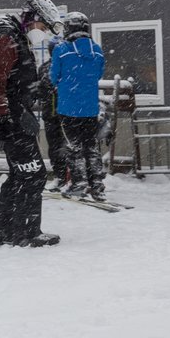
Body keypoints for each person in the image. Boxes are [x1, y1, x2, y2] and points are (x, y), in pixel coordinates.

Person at [0, 0, 64, 247]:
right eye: (42, 27)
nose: (42, 33)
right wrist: (6, 117)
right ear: (32, 18)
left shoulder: (16, 38)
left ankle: (3, 232)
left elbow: (14, 81)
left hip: (14, 115)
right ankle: (25, 233)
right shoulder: (7, 38)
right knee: (33, 174)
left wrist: (35, 89)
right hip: (9, 120)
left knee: (19, 175)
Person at [50, 11, 107, 201]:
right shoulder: (97, 50)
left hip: (68, 108)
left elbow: (53, 77)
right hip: (90, 108)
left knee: (74, 147)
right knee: (91, 146)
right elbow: (98, 75)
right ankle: (97, 184)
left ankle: (79, 183)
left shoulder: (61, 49)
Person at [37, 37, 69, 191]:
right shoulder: (43, 68)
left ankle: (73, 177)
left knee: (69, 146)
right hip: (50, 114)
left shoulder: (68, 66)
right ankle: (59, 176)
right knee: (54, 147)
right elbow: (40, 90)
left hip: (67, 114)